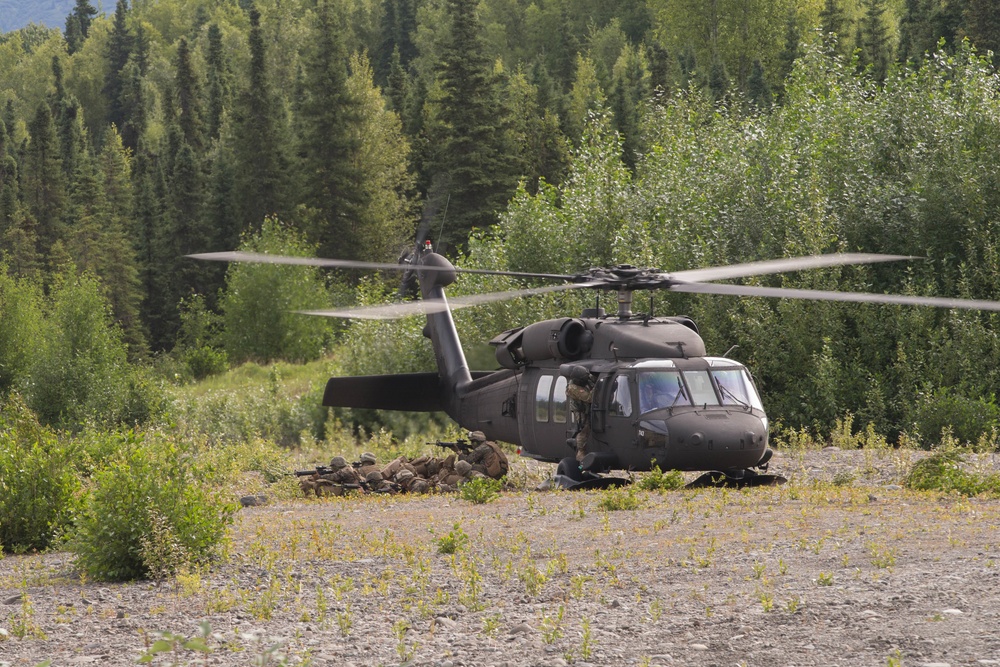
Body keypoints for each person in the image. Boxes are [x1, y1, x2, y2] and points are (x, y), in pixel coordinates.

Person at [566, 367, 595, 462]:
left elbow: (592, 379)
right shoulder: (572, 387)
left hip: (586, 407)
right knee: (583, 428)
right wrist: (597, 387)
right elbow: (589, 398)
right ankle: (580, 452)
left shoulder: (586, 378)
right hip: (580, 410)